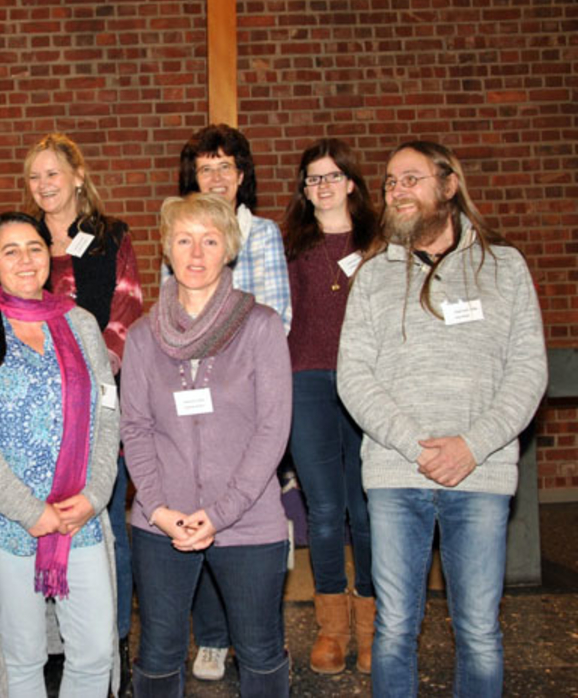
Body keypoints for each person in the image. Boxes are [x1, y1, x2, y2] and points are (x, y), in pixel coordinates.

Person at [337, 141, 548, 697]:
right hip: (394, 474)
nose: (396, 190)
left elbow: (528, 372)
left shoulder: (505, 268)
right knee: (394, 630)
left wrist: (472, 446)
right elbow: (353, 377)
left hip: (480, 475)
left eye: (411, 178)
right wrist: (416, 446)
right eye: (390, 182)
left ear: (449, 186)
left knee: (479, 631)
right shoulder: (373, 276)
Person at [121, 192, 292, 697]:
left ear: (229, 250)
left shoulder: (260, 327)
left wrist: (221, 513)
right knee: (157, 652)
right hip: (161, 522)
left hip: (248, 521)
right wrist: (157, 508)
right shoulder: (141, 337)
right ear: (166, 251)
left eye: (210, 241)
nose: (196, 254)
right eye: (184, 240)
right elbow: (136, 427)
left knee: (260, 650)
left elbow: (273, 429)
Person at [0, 212, 120, 697]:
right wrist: (29, 511)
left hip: (79, 518)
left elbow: (109, 414)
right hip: (8, 523)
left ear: (50, 258)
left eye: (35, 248)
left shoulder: (82, 325)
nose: (25, 259)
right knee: (19, 659)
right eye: (11, 251)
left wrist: (95, 494)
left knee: (94, 652)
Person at [173, 122, 292, 681]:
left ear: (241, 175)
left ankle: (254, 637)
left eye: (226, 166)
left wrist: (220, 365)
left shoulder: (262, 233)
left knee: (243, 513)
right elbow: (172, 323)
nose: (216, 176)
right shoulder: (180, 229)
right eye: (205, 167)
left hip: (243, 392)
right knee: (193, 508)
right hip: (191, 397)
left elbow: (276, 317)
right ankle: (214, 638)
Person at [24, 132, 143, 691]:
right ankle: (51, 645)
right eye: (34, 177)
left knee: (102, 523)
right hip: (37, 413)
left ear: (76, 175)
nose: (44, 185)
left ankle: (110, 641)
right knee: (44, 525)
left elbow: (127, 306)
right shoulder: (21, 239)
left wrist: (102, 375)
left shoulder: (109, 236)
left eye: (53, 173)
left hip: (97, 403)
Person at [280, 139, 380, 675]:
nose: (321, 186)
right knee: (323, 512)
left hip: (367, 383)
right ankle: (331, 629)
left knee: (365, 510)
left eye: (330, 176)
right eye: (311, 178)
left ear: (350, 183)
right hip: (307, 381)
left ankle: (370, 627)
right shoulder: (291, 242)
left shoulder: (381, 241)